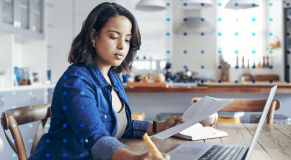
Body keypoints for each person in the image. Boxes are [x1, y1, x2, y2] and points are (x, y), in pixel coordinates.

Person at [33, 2, 184, 160]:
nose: (122, 46)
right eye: (113, 37)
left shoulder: (113, 77)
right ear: (93, 36)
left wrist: (161, 126)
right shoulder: (76, 82)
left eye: (127, 40)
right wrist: (134, 158)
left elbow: (121, 126)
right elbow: (94, 136)